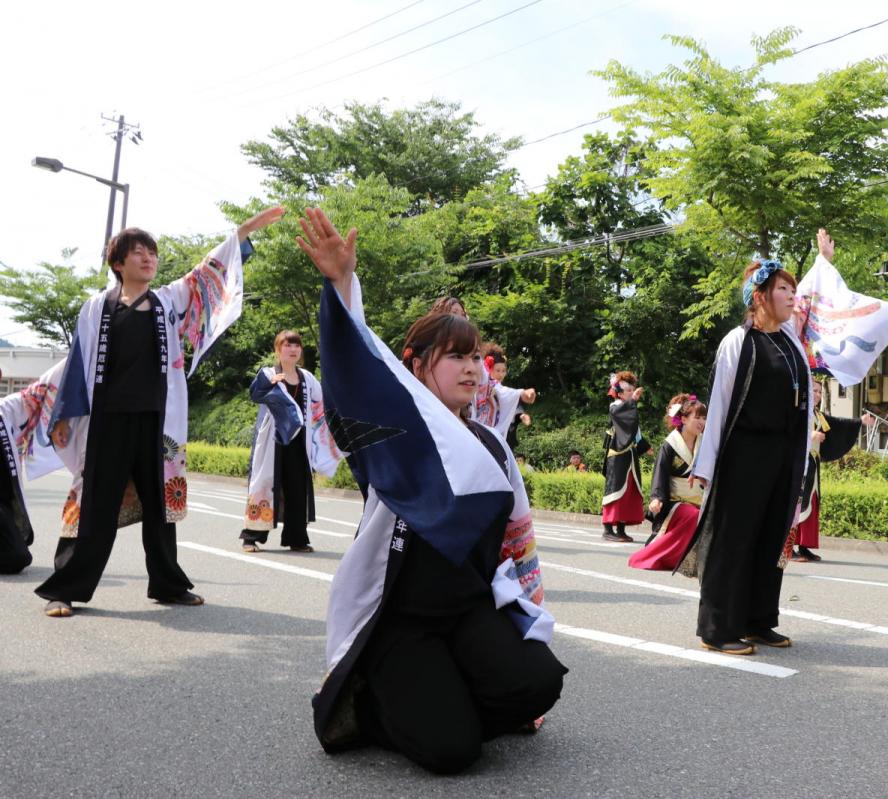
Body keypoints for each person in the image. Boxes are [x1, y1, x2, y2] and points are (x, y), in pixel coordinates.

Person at [297, 207, 565, 774]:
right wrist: (342, 284)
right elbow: (357, 370)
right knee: (452, 752)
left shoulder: (493, 447)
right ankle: (371, 703)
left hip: (468, 610)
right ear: (417, 367)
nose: (474, 369)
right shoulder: (392, 435)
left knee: (538, 684)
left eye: (476, 357)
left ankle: (446, 690)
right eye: (457, 358)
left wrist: (526, 626)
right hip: (402, 619)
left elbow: (519, 542)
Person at [35, 208, 284, 618]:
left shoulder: (169, 300)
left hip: (157, 422)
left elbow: (206, 275)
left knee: (160, 508)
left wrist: (241, 235)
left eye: (151, 252)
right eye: (137, 253)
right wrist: (65, 413)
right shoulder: (96, 309)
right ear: (118, 263)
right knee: (94, 504)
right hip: (108, 422)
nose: (148, 259)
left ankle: (167, 585)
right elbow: (77, 365)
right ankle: (66, 588)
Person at [679, 232, 833, 656]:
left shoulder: (791, 344)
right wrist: (706, 464)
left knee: (770, 536)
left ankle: (757, 619)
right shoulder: (738, 342)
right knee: (734, 538)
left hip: (781, 456)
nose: (791, 296)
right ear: (760, 297)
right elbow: (720, 406)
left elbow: (802, 412)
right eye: (783, 288)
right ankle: (717, 626)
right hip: (742, 454)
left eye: (792, 288)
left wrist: (800, 463)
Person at [240, 330, 343, 553]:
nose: (293, 349)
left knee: (298, 488)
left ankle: (297, 538)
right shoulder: (268, 373)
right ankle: (251, 537)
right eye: (288, 345)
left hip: (299, 442)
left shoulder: (307, 377)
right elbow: (255, 394)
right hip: (272, 442)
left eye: (296, 345)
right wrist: (269, 383)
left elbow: (321, 404)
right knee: (264, 485)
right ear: (278, 350)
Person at [782, 374, 873, 563]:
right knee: (797, 503)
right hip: (799, 465)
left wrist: (859, 422)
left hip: (812, 465)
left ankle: (804, 546)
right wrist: (811, 436)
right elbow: (788, 435)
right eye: (813, 391)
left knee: (811, 503)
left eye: (819, 392)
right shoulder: (797, 412)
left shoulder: (817, 415)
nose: (816, 394)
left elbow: (837, 424)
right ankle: (788, 547)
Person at [628, 394, 706, 572]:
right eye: (697, 417)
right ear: (684, 419)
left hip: (699, 499)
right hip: (673, 502)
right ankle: (664, 557)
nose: (701, 422)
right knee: (693, 516)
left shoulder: (705, 443)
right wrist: (657, 498)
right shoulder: (670, 444)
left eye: (704, 417)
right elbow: (660, 473)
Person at [0, 363, 65, 574]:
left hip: (4, 505)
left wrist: (79, 352)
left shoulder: (5, 409)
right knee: (18, 557)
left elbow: (43, 387)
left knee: (19, 556)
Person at [601, 372, 651, 543]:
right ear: (620, 393)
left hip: (629, 453)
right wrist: (633, 401)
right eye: (628, 390)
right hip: (617, 454)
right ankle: (608, 528)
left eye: (632, 389)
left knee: (629, 490)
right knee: (615, 490)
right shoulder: (615, 406)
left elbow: (634, 431)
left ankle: (621, 529)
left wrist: (645, 446)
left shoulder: (629, 407)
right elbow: (621, 415)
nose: (631, 392)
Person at [472, 343, 536, 441]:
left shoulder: (499, 389)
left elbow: (506, 396)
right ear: (488, 369)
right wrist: (521, 393)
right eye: (497, 370)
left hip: (491, 433)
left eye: (503, 371)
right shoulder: (483, 382)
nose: (501, 374)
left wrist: (522, 415)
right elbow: (502, 391)